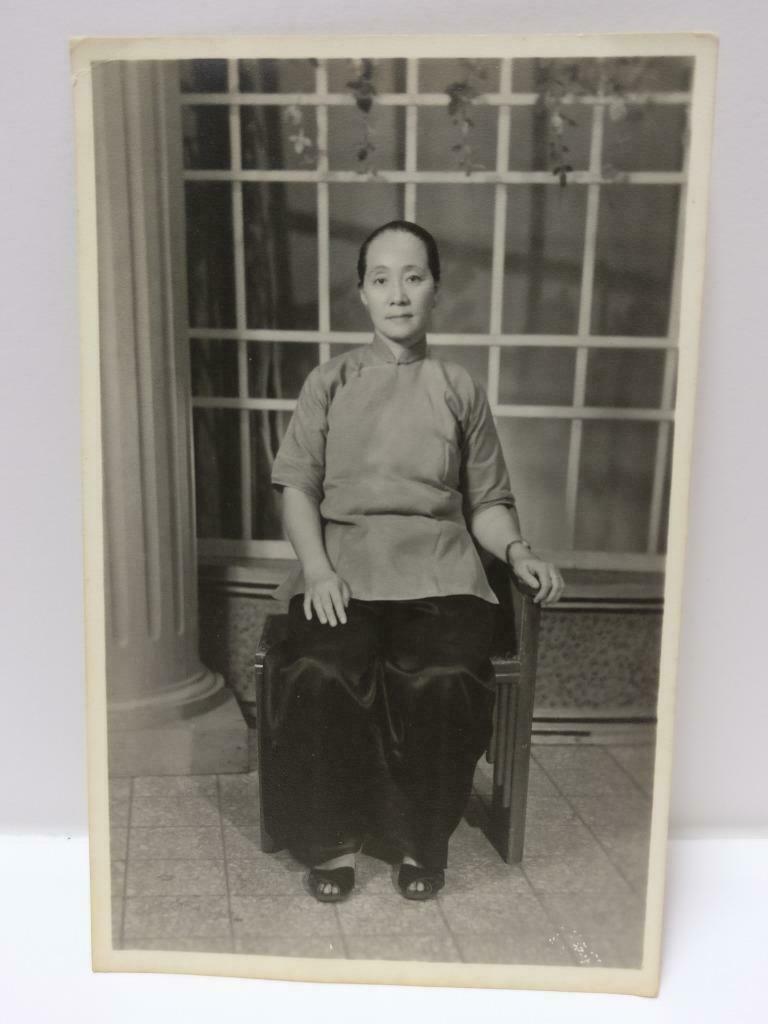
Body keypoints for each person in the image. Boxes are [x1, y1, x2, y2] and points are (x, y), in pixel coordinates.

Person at [263, 220, 564, 903]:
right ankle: (330, 840)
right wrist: (315, 569)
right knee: (320, 669)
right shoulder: (329, 382)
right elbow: (297, 489)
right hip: (342, 570)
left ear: (435, 290)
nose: (397, 293)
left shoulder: (458, 388)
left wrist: (517, 549)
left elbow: (487, 500)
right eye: (380, 279)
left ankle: (417, 840)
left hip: (439, 573)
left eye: (413, 276)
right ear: (361, 294)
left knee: (444, 675)